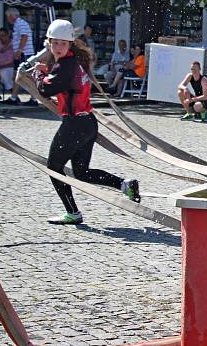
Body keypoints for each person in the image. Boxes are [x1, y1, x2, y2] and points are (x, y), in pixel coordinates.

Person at [33, 20, 140, 225]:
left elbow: (46, 90)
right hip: (87, 123)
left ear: (70, 44)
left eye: (62, 44)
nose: (58, 47)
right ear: (49, 43)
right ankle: (125, 185)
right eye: (54, 43)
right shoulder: (75, 62)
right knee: (82, 173)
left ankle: (72, 213)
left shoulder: (66, 65)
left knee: (54, 166)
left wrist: (39, 74)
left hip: (75, 125)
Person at [6, 7, 38, 106]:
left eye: (7, 16)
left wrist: (19, 51)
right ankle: (14, 97)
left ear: (11, 16)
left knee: (26, 76)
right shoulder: (19, 24)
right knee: (18, 75)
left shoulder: (20, 23)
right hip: (23, 53)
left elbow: (24, 36)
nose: (7, 19)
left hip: (24, 54)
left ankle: (34, 98)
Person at [0, 28, 16, 101]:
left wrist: (0, 64)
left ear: (8, 35)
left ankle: (13, 94)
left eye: (3, 35)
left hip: (9, 66)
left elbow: (12, 60)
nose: (1, 38)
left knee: (4, 73)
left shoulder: (14, 44)